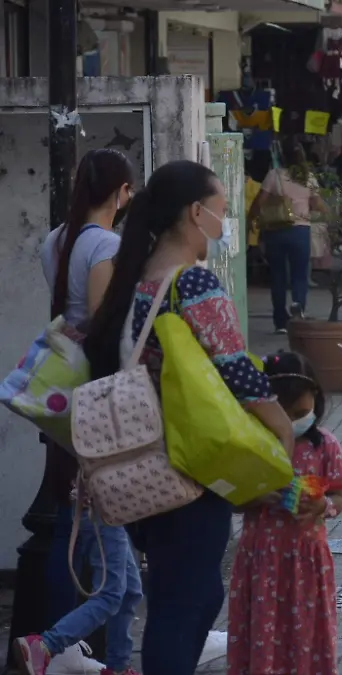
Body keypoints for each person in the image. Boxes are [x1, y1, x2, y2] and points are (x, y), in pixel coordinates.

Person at [82, 160, 295, 675]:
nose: (227, 221)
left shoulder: (134, 281)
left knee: (186, 595)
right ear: (196, 213)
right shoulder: (191, 284)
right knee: (184, 604)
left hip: (147, 464)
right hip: (191, 465)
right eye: (223, 210)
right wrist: (282, 428)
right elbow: (236, 370)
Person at [18, 149, 142, 675]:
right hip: (97, 398)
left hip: (61, 392)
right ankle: (51, 643)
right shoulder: (106, 244)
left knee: (87, 528)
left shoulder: (56, 239)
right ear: (120, 192)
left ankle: (109, 660)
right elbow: (100, 323)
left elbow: (66, 314)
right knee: (102, 536)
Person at [227, 352, 342, 675]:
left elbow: (338, 494)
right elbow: (232, 502)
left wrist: (325, 506)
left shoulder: (325, 445)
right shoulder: (254, 446)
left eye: (302, 413)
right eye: (284, 413)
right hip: (261, 560)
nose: (293, 423)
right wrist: (256, 498)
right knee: (262, 631)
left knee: (306, 631)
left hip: (307, 560)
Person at [250, 141, 326, 334]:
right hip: (301, 231)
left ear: (282, 157)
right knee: (300, 275)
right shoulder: (308, 177)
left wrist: (251, 220)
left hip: (276, 230)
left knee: (278, 276)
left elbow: (259, 202)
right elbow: (318, 205)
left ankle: (280, 322)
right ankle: (297, 312)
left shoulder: (274, 175)